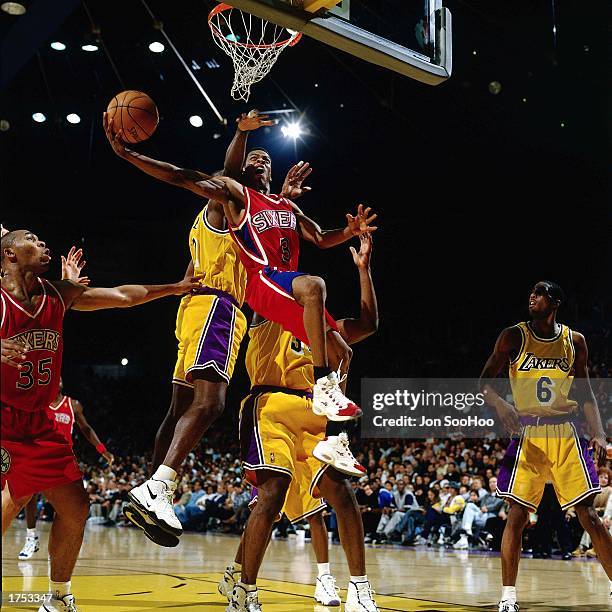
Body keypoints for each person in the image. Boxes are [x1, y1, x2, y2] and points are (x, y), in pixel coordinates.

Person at [103, 113, 375, 427]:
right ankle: (323, 386)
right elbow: (180, 176)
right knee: (315, 285)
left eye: (266, 158)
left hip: (288, 290)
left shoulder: (286, 205)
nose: (260, 159)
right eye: (252, 158)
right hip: (261, 281)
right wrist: (128, 153)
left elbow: (321, 238)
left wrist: (349, 231)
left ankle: (334, 439)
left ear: (272, 171)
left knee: (342, 352)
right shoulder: (236, 197)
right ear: (242, 169)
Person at [1, 229, 198, 612]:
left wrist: (174, 288)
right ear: (9, 255)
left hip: (39, 423)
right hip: (2, 417)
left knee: (76, 506)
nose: (44, 244)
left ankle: (58, 596)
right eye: (33, 240)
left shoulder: (58, 294)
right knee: (10, 501)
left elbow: (124, 297)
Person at [226, 232, 379, 612]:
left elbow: (369, 323)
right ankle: (244, 589)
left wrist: (364, 270)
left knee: (342, 494)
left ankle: (359, 589)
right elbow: (270, 272)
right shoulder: (268, 311)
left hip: (315, 415)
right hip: (270, 406)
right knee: (272, 497)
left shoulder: (324, 332)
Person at [480, 280, 612, 611]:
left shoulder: (575, 341)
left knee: (588, 515)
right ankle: (508, 596)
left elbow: (585, 392)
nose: (532, 296)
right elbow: (483, 382)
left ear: (554, 302)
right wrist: (499, 404)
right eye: (531, 293)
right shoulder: (513, 336)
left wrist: (599, 433)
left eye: (539, 293)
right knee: (517, 514)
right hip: (528, 432)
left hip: (567, 431)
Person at [18, 376, 114, 560]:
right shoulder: (39, 404)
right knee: (31, 494)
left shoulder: (73, 405)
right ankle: (31, 537)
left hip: (63, 459)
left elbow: (86, 429)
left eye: (60, 379)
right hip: (41, 455)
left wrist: (102, 449)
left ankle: (58, 545)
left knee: (68, 505)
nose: (58, 381)